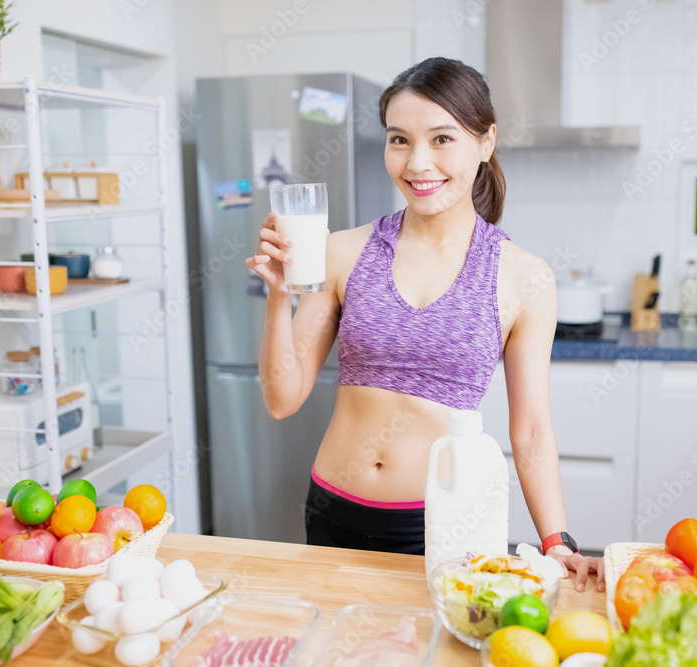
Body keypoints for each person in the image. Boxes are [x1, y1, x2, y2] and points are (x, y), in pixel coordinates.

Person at [245, 57, 605, 591]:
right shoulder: (342, 251)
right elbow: (282, 399)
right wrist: (278, 298)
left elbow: (530, 432)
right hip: (332, 510)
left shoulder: (524, 277)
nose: (417, 162)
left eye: (441, 139)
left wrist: (558, 542)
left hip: (445, 528)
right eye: (399, 140)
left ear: (484, 143)